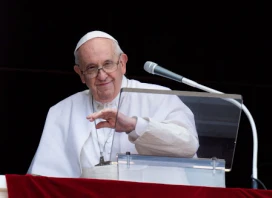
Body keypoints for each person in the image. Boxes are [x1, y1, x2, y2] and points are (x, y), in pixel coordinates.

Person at [27, 30, 199, 178]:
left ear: (122, 63)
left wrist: (135, 126)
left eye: (108, 64)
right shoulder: (62, 111)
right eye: (92, 68)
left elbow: (189, 145)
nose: (102, 76)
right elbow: (42, 178)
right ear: (80, 73)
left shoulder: (159, 97)